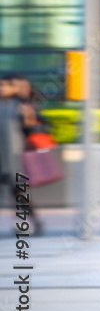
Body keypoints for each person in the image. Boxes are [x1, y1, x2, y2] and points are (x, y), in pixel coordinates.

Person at [0, 75, 41, 234]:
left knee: (19, 194)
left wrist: (28, 115)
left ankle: (32, 223)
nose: (2, 88)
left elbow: (32, 128)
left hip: (14, 159)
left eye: (5, 86)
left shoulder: (20, 106)